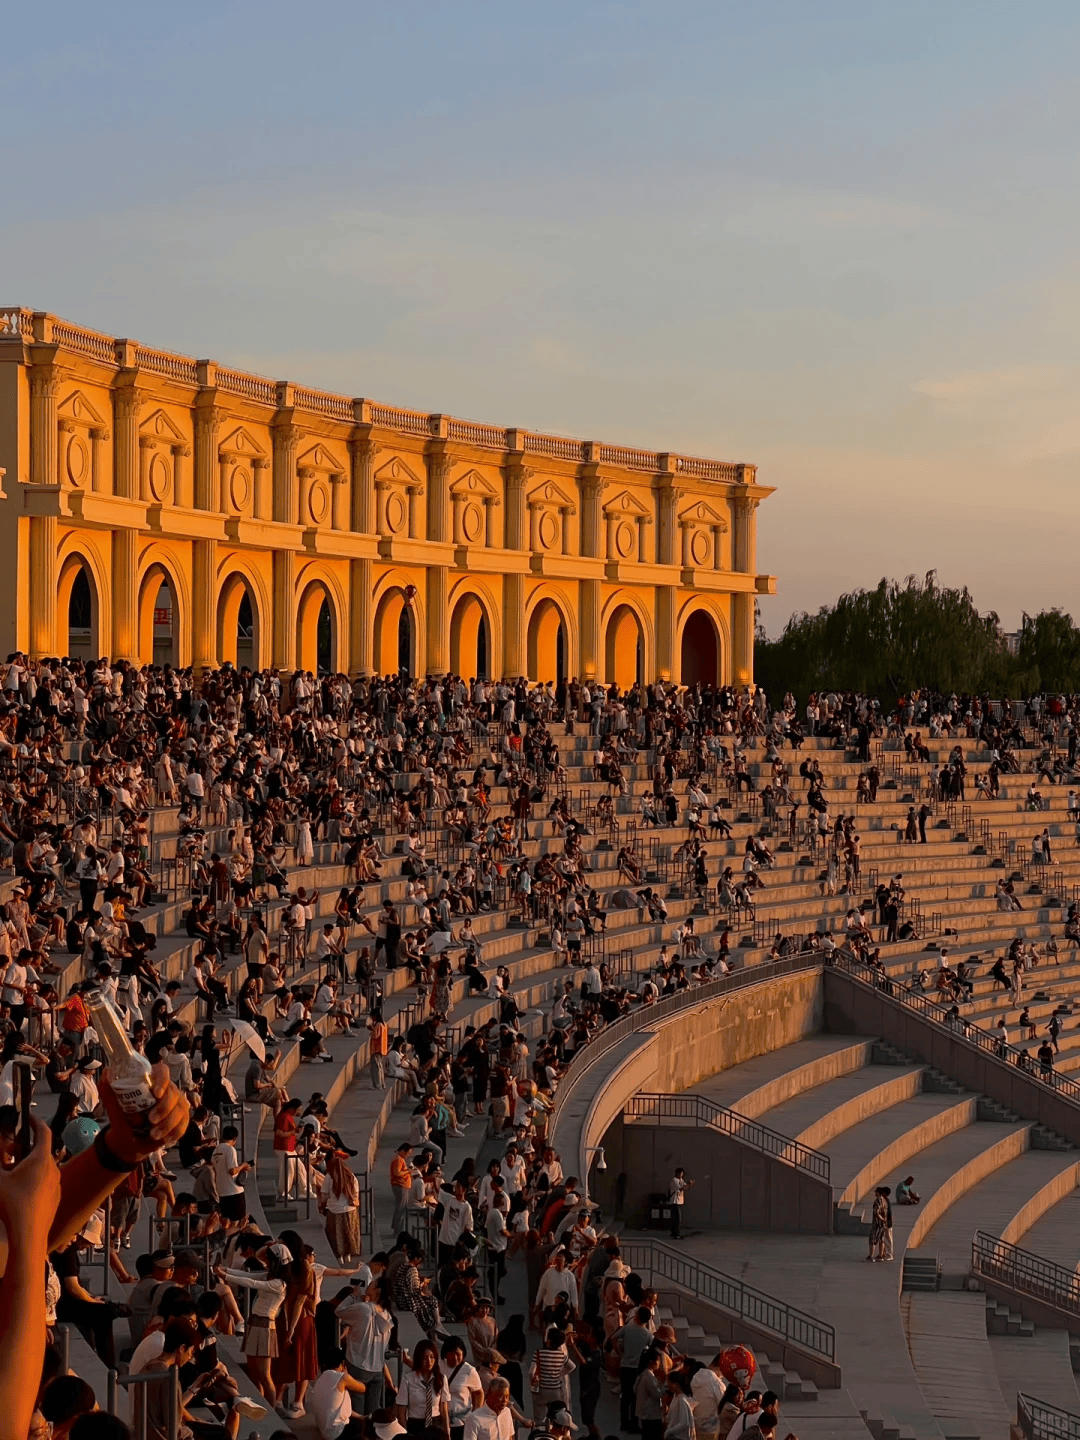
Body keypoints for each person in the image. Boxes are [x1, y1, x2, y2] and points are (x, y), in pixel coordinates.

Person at [395, 1339, 451, 1440]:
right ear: (418, 1358)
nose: (429, 1362)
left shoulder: (441, 1379)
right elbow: (401, 1412)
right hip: (415, 1425)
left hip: (435, 1425)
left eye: (432, 1357)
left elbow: (444, 1409)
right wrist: (404, 1433)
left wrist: (447, 1431)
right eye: (425, 1358)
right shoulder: (408, 1379)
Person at [309, 1348, 369, 1440]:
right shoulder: (342, 1377)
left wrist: (361, 1417)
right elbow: (362, 1388)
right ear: (342, 1363)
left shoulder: (319, 1381)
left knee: (360, 1420)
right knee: (365, 1427)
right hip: (338, 1433)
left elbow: (336, 1409)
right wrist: (346, 1374)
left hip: (325, 1432)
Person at [667, 1168, 693, 1239]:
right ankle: (676, 1234)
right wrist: (687, 1184)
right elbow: (680, 1188)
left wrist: (689, 1184)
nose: (682, 1175)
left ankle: (673, 1232)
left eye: (682, 1173)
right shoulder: (674, 1180)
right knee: (678, 1218)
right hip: (674, 1201)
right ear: (677, 1173)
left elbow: (685, 1187)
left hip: (679, 1201)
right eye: (681, 1173)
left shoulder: (681, 1180)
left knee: (675, 1218)